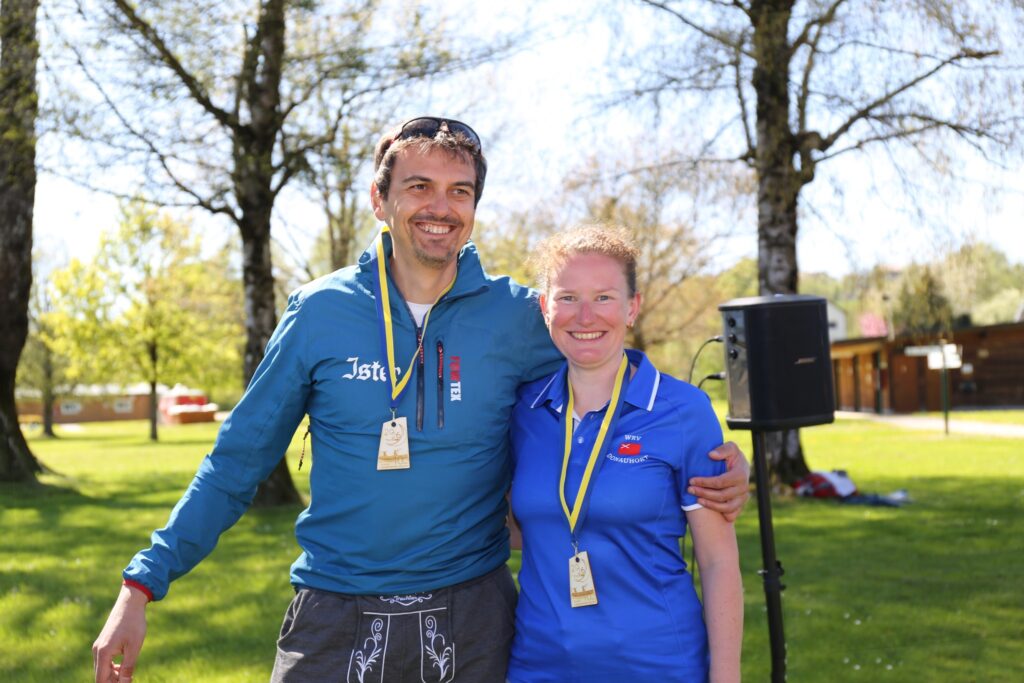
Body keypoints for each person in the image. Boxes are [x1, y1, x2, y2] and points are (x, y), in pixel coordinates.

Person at [92, 118, 751, 683]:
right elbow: (235, 461)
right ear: (379, 200)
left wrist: (714, 460)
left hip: (473, 618)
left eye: (459, 191)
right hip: (333, 610)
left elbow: (609, 362)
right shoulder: (320, 313)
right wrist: (141, 583)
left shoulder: (518, 317)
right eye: (419, 187)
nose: (441, 206)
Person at [508, 225, 743, 682]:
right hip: (539, 666)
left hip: (658, 666)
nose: (585, 316)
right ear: (545, 307)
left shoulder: (683, 411)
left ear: (632, 307)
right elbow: (517, 527)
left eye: (604, 297)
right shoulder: (524, 411)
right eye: (568, 297)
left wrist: (726, 676)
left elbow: (718, 562)